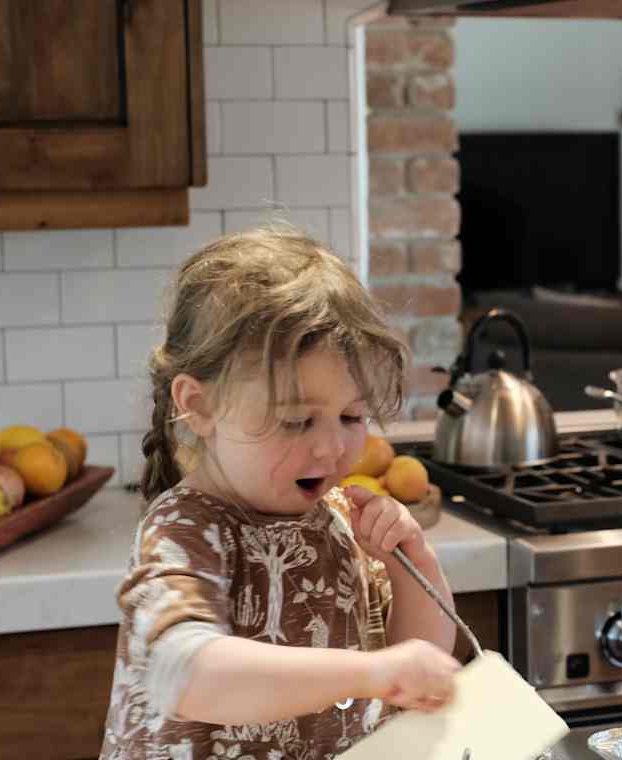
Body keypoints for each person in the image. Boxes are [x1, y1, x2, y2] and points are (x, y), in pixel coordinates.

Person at [99, 226, 462, 760]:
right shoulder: (186, 531)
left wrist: (412, 559)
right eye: (296, 422)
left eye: (351, 416)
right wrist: (371, 673)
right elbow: (187, 673)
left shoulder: (335, 516)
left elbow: (421, 654)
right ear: (198, 406)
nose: (333, 448)